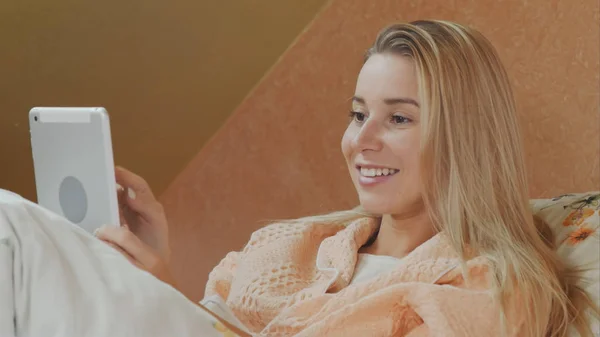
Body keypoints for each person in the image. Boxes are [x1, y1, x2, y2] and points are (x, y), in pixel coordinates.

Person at [1, 20, 597, 337]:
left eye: (398, 118)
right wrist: (158, 278)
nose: (362, 140)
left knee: (12, 229)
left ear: (464, 135)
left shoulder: (494, 287)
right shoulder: (296, 245)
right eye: (358, 113)